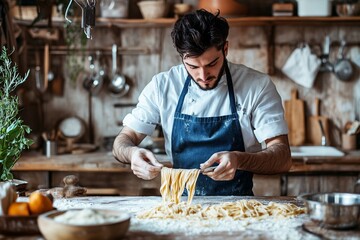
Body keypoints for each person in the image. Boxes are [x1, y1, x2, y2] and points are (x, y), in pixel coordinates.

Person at [112, 9, 291, 196]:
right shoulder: (163, 86)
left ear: (225, 49)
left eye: (211, 64)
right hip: (179, 207)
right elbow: (122, 142)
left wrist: (239, 160)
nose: (203, 76)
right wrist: (132, 154)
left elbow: (282, 158)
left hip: (238, 208)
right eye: (193, 66)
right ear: (182, 57)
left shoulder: (256, 86)